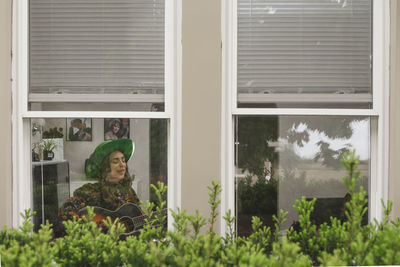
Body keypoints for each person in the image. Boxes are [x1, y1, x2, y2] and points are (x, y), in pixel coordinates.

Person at [57, 139, 140, 232]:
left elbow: (141, 217)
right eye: (116, 161)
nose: (122, 165)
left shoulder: (129, 191)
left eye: (123, 160)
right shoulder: (91, 190)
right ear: (105, 167)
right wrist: (92, 230)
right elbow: (65, 213)